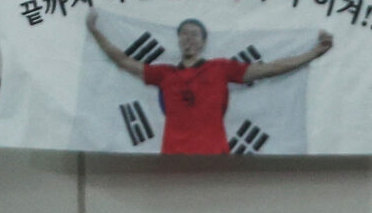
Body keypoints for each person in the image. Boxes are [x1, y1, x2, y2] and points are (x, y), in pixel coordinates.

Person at [86, 9, 333, 154]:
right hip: (173, 160)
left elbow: (270, 69)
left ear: (204, 42)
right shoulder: (164, 74)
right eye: (183, 34)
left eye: (194, 34)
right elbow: (123, 61)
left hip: (216, 158)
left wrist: (314, 53)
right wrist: (96, 31)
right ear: (178, 41)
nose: (188, 39)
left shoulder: (221, 69)